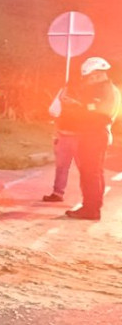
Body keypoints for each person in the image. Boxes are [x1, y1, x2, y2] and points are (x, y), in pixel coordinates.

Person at [62, 57, 121, 220]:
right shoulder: (107, 88)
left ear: (96, 74)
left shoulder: (104, 90)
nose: (88, 81)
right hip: (96, 133)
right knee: (94, 172)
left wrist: (77, 105)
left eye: (89, 77)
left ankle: (91, 209)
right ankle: (92, 207)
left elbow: (97, 111)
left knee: (90, 173)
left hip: (94, 134)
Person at [42, 79, 81, 202]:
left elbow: (53, 111)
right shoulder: (87, 92)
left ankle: (58, 193)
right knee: (83, 169)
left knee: (63, 167)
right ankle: (89, 197)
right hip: (77, 135)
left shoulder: (66, 91)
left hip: (69, 134)